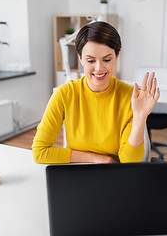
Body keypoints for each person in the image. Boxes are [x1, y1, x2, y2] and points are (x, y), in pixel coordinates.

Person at [32, 21, 159, 164]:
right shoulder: (64, 94)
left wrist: (140, 117)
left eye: (107, 59)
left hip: (114, 175)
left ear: (116, 57)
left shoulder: (131, 97)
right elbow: (40, 152)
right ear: (80, 59)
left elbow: (129, 161)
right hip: (78, 172)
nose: (99, 68)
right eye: (91, 60)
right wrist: (97, 158)